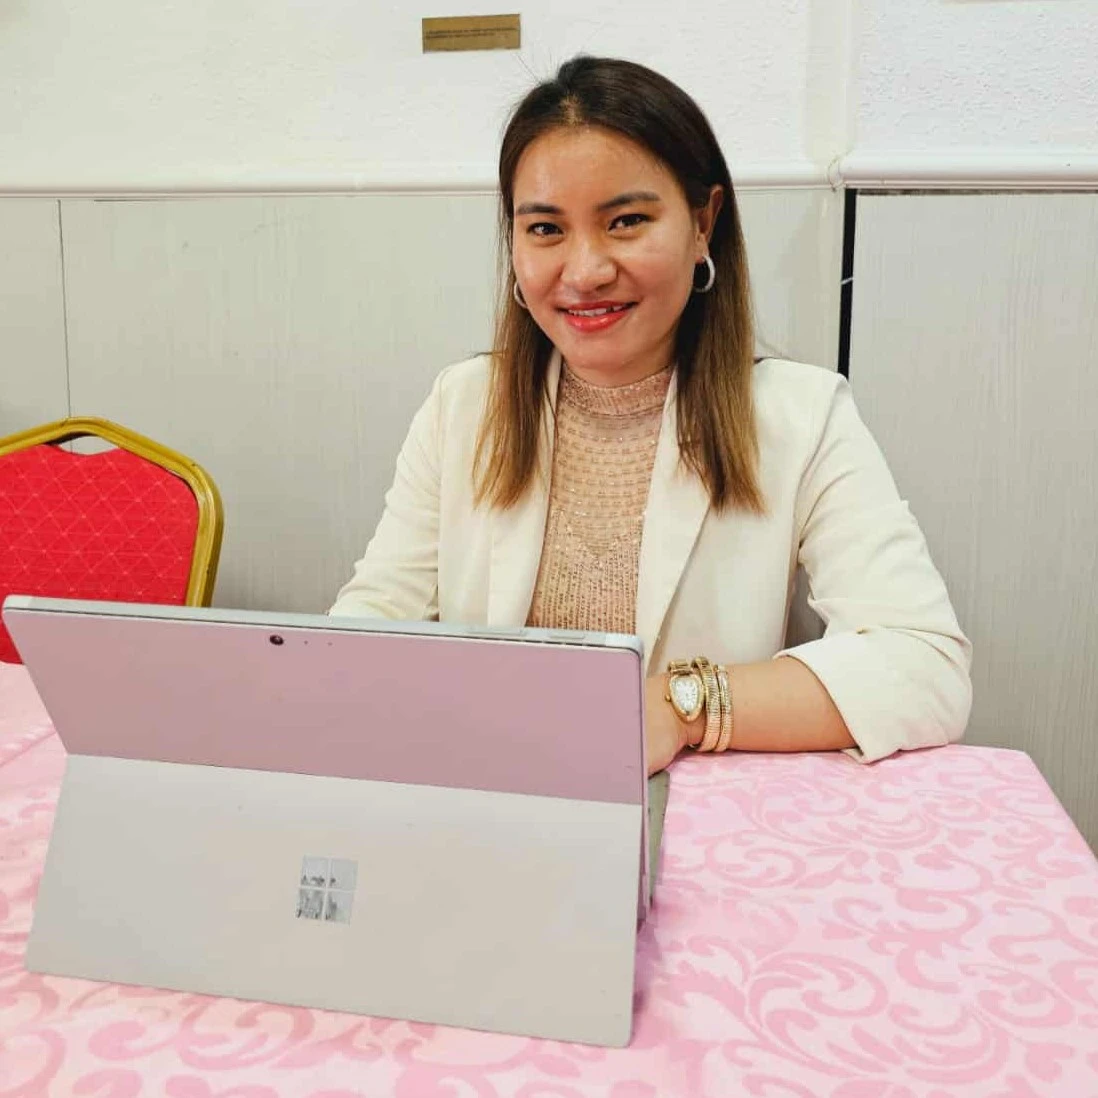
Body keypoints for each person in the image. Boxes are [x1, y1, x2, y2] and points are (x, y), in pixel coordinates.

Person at [330, 56, 971, 774]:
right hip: (490, 795)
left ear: (702, 224)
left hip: (688, 816)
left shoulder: (802, 416)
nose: (585, 271)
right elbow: (366, 630)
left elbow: (925, 666)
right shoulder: (464, 405)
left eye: (626, 221)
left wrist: (676, 705)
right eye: (545, 229)